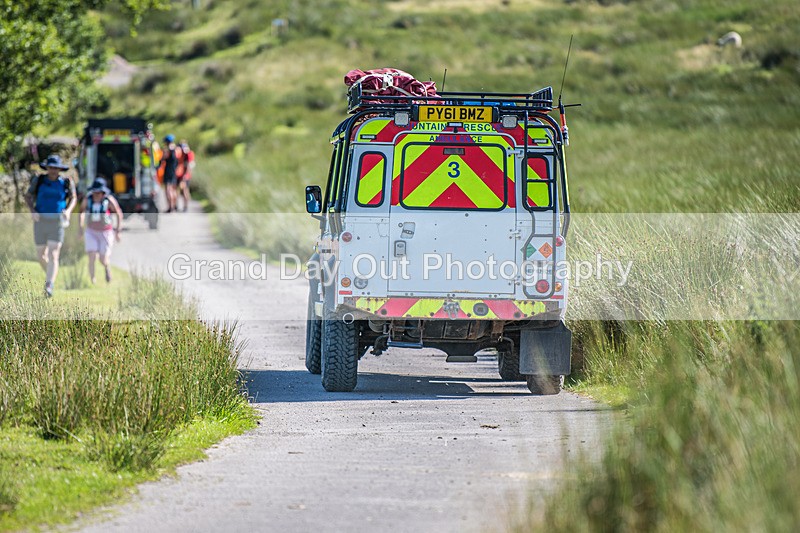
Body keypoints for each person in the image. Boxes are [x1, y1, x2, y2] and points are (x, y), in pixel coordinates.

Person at [24, 155, 77, 298]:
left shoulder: (66, 182)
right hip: (40, 220)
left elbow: (73, 198)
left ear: (60, 169)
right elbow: (28, 196)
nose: (53, 170)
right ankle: (51, 274)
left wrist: (68, 211)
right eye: (51, 167)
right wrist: (33, 211)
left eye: (56, 168)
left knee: (54, 254)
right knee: (41, 255)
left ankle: (49, 285)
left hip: (57, 222)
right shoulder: (39, 180)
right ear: (47, 168)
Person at [79, 177, 123, 284]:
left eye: (99, 192)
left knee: (103, 258)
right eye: (95, 192)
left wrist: (118, 230)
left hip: (105, 232)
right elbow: (81, 212)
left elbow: (118, 213)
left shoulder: (109, 200)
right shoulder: (88, 200)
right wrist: (80, 228)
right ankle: (92, 279)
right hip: (91, 231)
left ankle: (107, 267)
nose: (97, 194)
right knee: (92, 256)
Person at [159, 134, 181, 212]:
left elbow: (162, 160)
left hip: (168, 171)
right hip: (175, 171)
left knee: (168, 190)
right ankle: (175, 205)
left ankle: (170, 207)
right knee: (173, 189)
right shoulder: (177, 149)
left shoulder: (167, 150)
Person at [177, 139, 195, 212]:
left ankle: (186, 206)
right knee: (184, 190)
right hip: (184, 174)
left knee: (185, 190)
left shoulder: (187, 153)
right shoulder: (189, 153)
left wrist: (185, 175)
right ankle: (185, 206)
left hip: (185, 175)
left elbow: (189, 165)